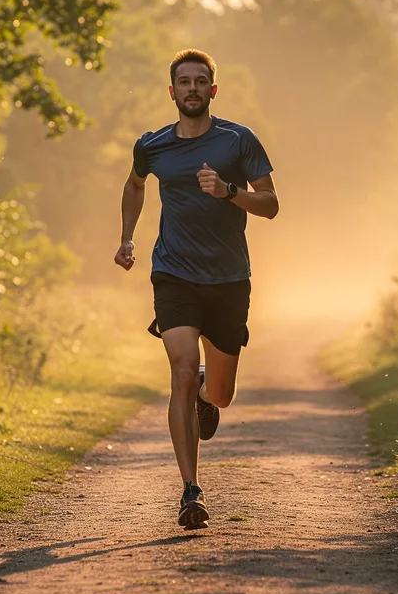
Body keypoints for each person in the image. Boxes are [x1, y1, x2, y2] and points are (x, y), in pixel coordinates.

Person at [114, 48, 279, 530]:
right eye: (183, 82)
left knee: (221, 392)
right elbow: (134, 185)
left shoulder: (238, 141)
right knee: (182, 371)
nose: (191, 88)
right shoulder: (153, 145)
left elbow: (270, 204)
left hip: (229, 279)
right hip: (174, 274)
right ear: (172, 92)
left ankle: (210, 396)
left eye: (200, 81)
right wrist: (126, 238)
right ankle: (190, 490)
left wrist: (229, 191)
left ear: (213, 89)